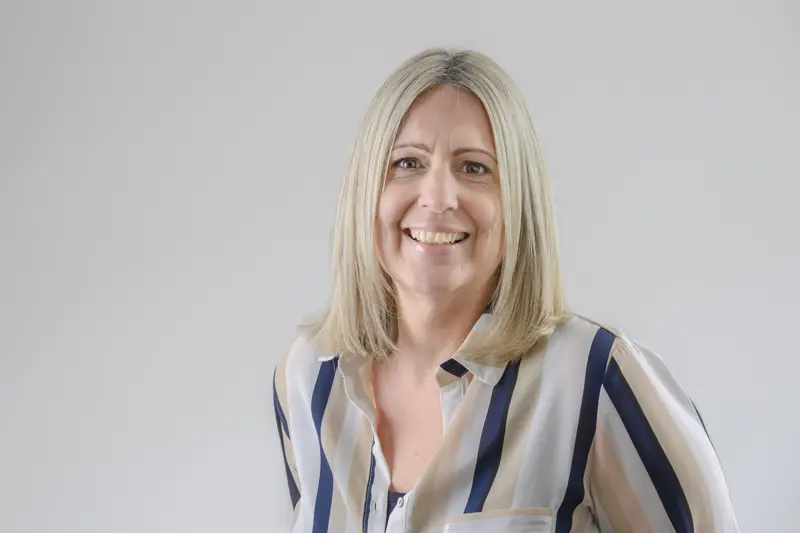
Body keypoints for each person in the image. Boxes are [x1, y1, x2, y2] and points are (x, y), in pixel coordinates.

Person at [272, 47, 738, 533]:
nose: (438, 198)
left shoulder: (596, 379)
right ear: (365, 189)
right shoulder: (307, 377)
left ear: (518, 201)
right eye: (407, 162)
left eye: (474, 167)